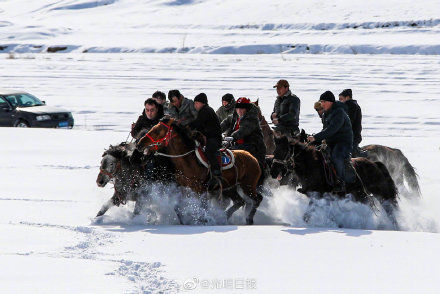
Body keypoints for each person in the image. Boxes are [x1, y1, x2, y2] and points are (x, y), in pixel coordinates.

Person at [307, 91, 355, 193]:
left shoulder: (339, 113)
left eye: (324, 101)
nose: (322, 104)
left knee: (336, 157)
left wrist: (315, 137)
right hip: (331, 142)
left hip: (343, 142)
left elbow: (332, 129)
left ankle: (342, 183)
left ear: (331, 101)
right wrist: (314, 142)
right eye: (321, 101)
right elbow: (325, 130)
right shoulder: (325, 114)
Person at [221, 97, 267, 183]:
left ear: (247, 109)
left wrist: (232, 137)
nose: (239, 111)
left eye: (242, 108)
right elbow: (223, 125)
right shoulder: (233, 117)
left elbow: (243, 130)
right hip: (237, 145)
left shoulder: (252, 118)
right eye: (238, 108)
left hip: (253, 147)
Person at [190, 93, 223, 191]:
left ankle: (216, 172)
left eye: (196, 103)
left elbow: (198, 124)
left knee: (209, 151)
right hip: (208, 137)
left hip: (214, 138)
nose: (195, 105)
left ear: (202, 103)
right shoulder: (204, 111)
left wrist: (186, 126)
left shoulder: (205, 111)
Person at [339, 89, 364, 157]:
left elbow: (349, 121)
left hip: (353, 135)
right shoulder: (351, 105)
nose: (340, 101)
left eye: (341, 99)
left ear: (347, 97)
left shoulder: (351, 105)